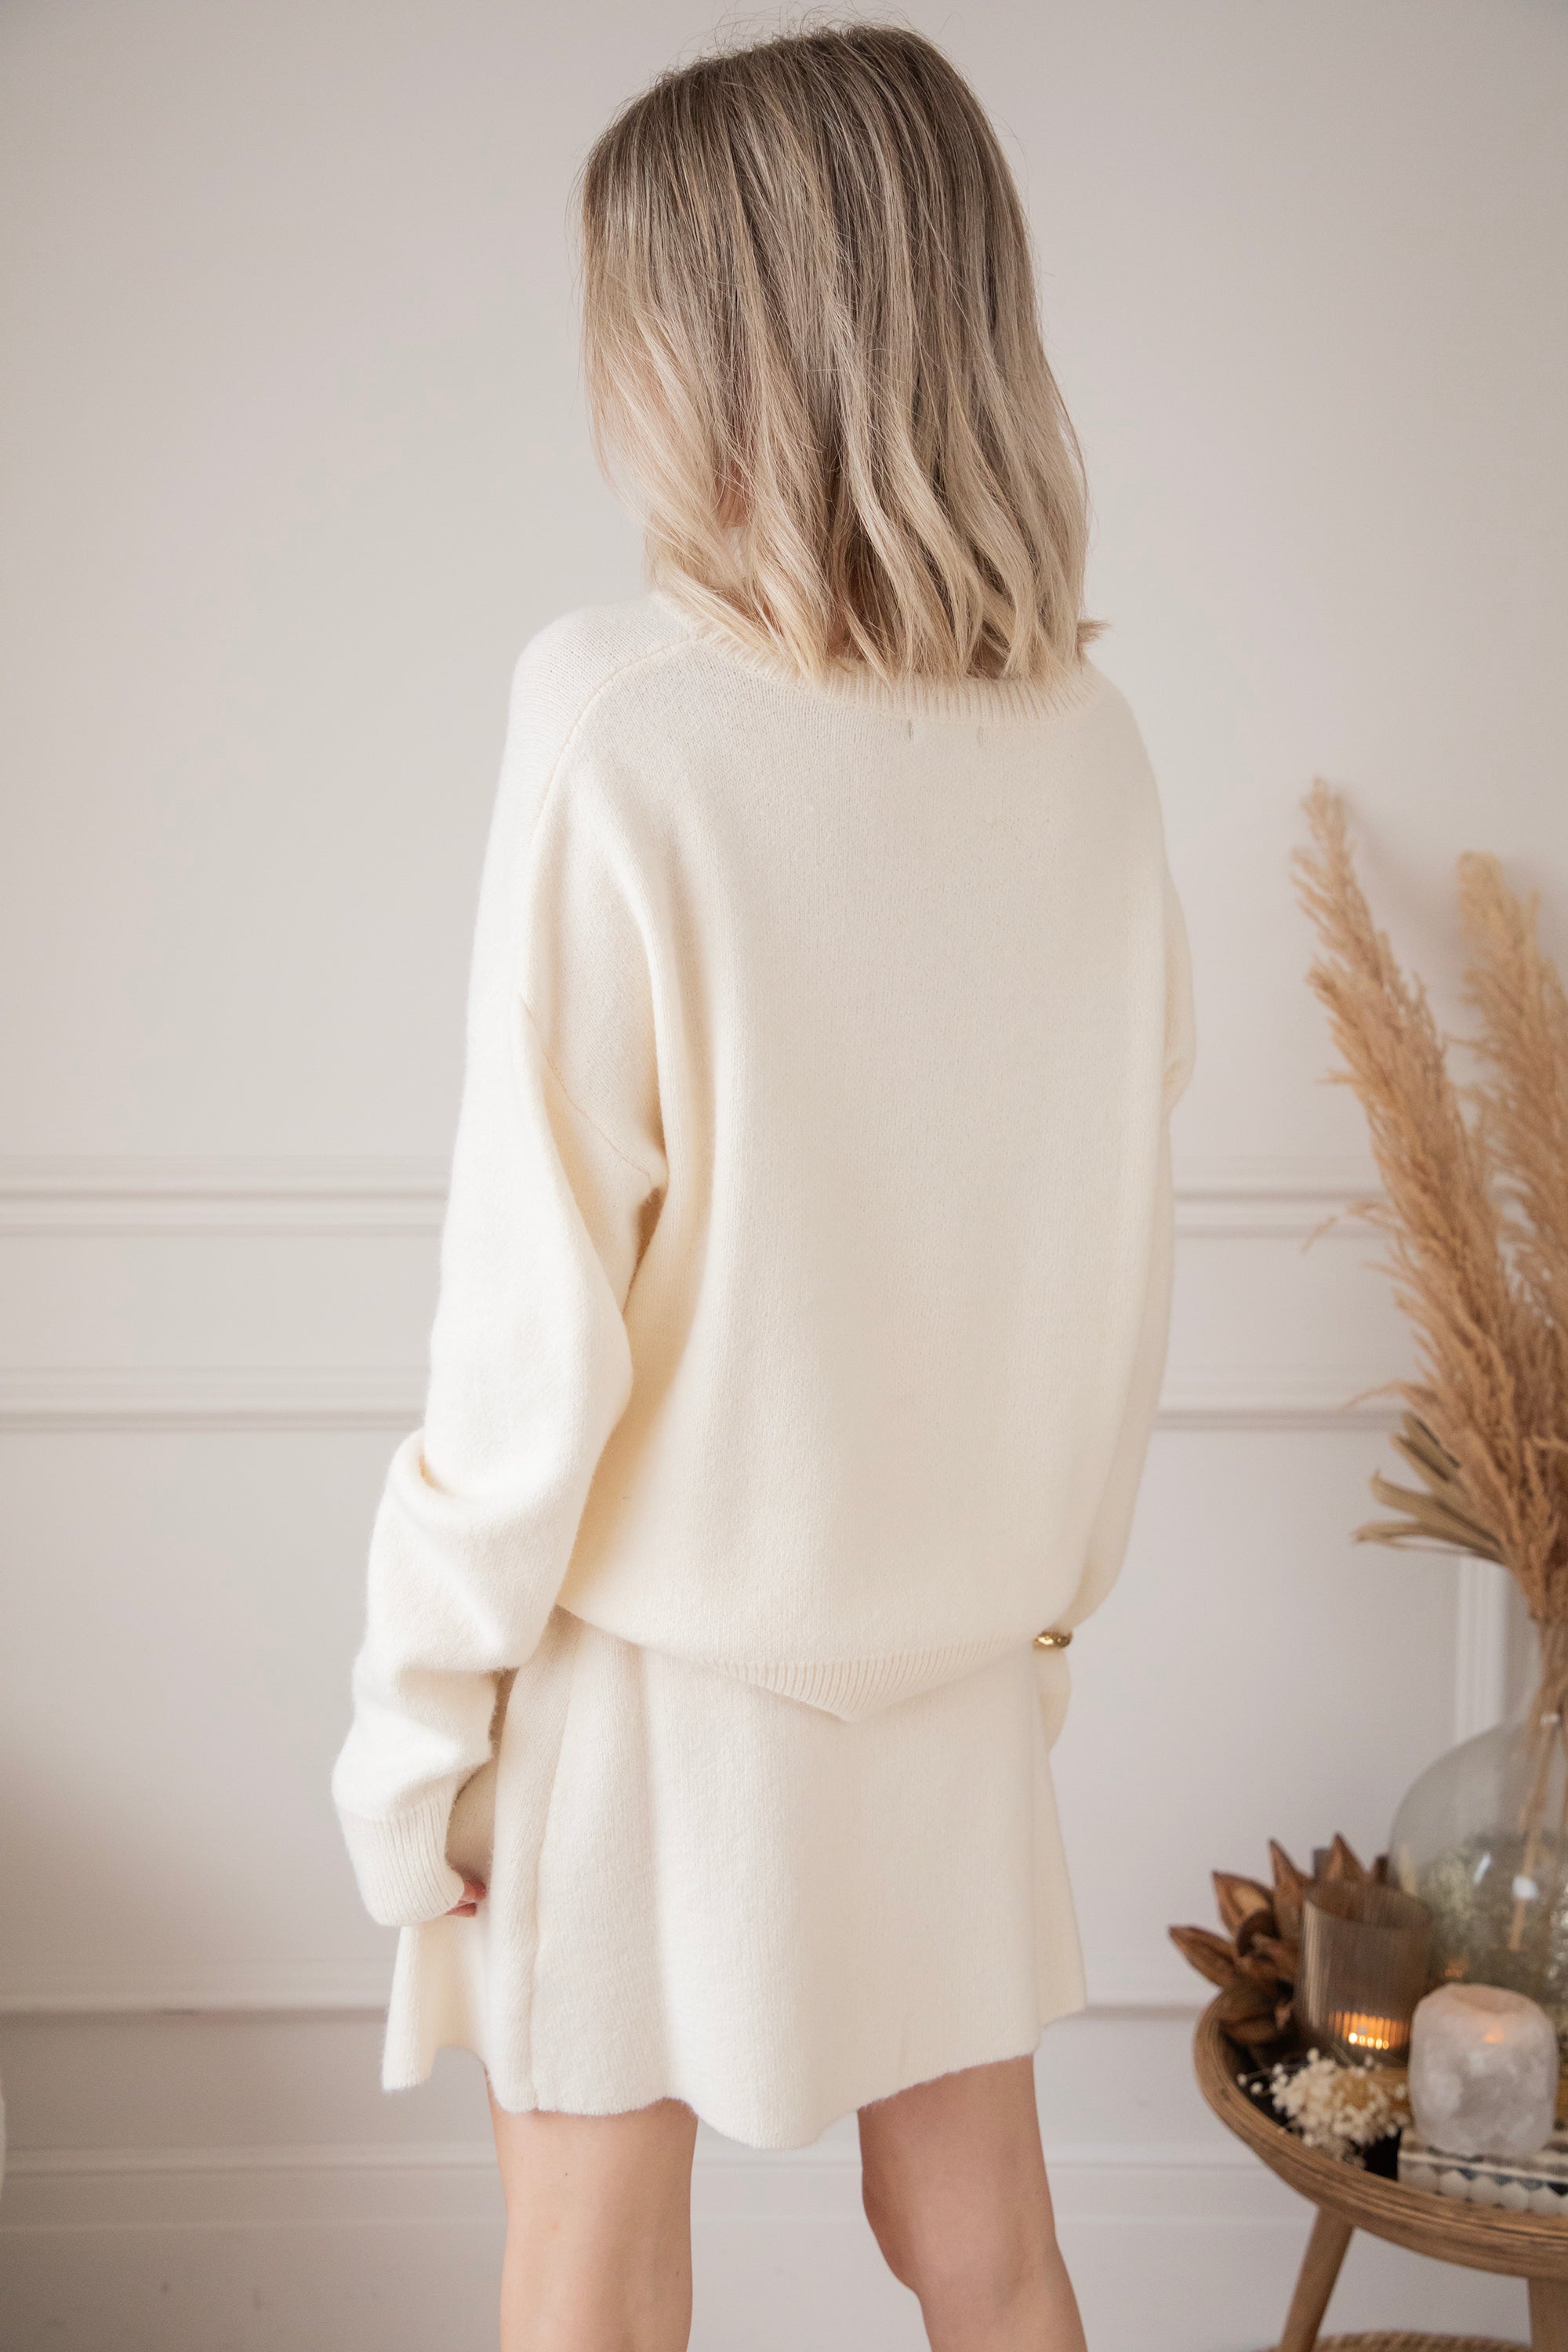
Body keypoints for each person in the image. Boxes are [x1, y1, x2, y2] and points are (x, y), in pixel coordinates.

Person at [332, 21, 1195, 2350]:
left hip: (645, 1685)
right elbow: (1113, 1277)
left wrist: (416, 1746)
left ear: (710, 349)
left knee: (590, 2292)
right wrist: (1025, 1634)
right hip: (955, 1672)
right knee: (994, 2266)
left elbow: (530, 1326)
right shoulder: (1093, 756)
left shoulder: (622, 712)